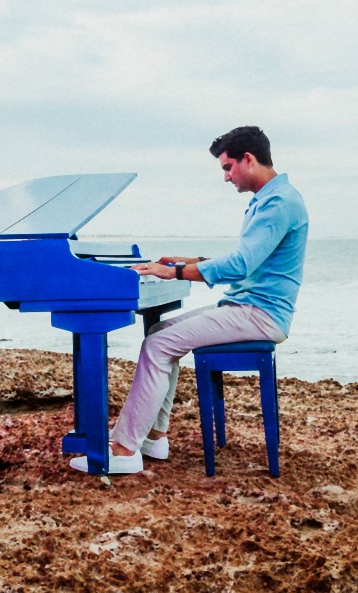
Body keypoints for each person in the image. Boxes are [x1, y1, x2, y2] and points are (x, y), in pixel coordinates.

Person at [70, 125, 309, 474]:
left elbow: (241, 264)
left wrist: (177, 273)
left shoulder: (278, 203)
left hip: (261, 313)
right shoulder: (271, 200)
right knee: (159, 334)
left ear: (248, 159)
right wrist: (184, 262)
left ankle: (124, 450)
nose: (226, 177)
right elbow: (247, 262)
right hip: (248, 305)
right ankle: (155, 436)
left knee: (158, 346)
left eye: (228, 167)